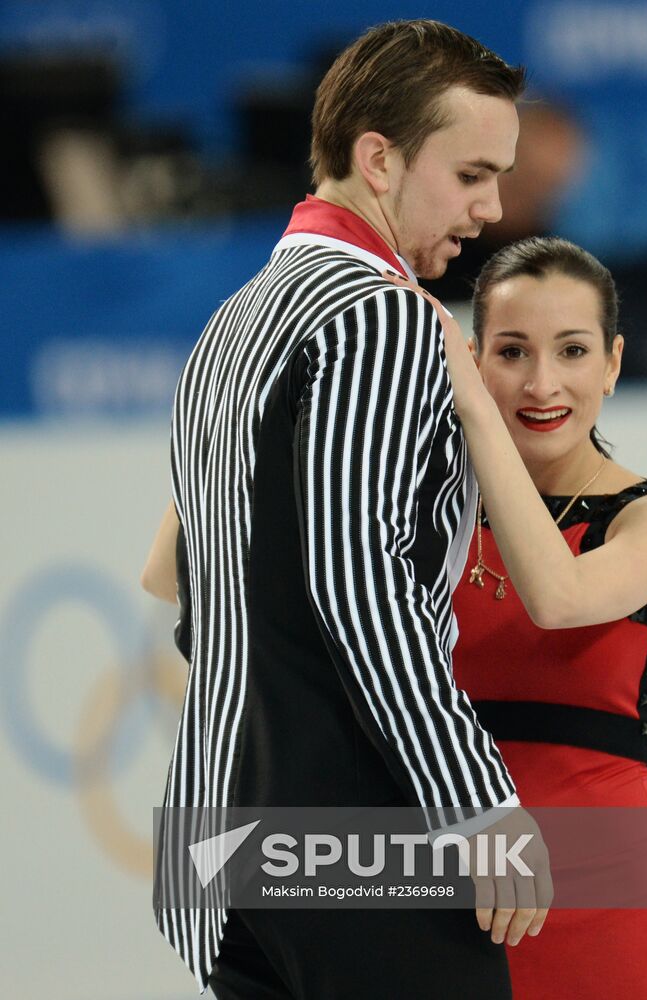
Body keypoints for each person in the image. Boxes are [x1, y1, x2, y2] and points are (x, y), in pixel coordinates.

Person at [144, 20, 552, 999]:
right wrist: (475, 803)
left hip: (225, 837)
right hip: (353, 834)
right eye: (469, 174)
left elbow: (196, 588)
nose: (492, 206)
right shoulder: (378, 315)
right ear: (378, 158)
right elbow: (355, 576)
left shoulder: (233, 319)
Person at [385, 236, 647, 998]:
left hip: (612, 915)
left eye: (571, 351)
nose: (542, 384)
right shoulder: (420, 515)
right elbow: (177, 573)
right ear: (473, 357)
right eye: (510, 352)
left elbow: (557, 598)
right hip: (441, 905)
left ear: (612, 363)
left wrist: (469, 412)